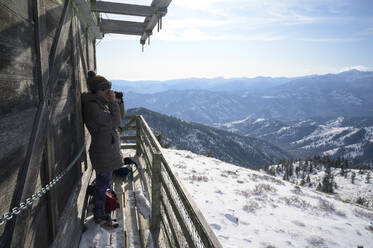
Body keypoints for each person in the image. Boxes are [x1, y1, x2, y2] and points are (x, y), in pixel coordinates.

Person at [82, 71, 124, 228]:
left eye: (109, 89)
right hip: (103, 153)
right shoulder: (93, 107)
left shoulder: (100, 104)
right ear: (97, 90)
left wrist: (119, 102)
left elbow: (120, 120)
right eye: (105, 89)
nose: (108, 92)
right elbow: (115, 121)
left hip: (107, 151)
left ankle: (101, 210)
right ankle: (99, 216)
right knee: (101, 186)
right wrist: (113, 103)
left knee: (104, 183)